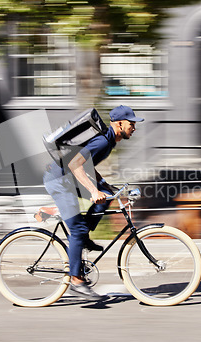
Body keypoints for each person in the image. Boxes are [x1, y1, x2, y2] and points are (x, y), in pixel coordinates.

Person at [43, 105, 144, 300]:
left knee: (106, 195)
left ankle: (83, 239)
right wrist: (93, 190)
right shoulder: (102, 142)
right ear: (119, 124)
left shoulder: (109, 141)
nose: (134, 127)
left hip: (67, 179)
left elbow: (87, 164)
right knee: (78, 230)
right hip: (59, 182)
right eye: (131, 124)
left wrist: (106, 187)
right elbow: (74, 165)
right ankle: (76, 280)